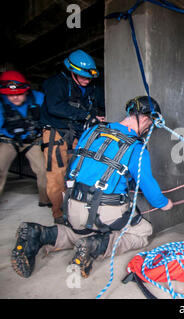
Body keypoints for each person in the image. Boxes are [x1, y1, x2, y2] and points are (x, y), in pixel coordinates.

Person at [11, 96, 173, 279]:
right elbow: (151, 190)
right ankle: (95, 246)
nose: (148, 129)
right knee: (143, 232)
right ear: (145, 118)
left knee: (80, 231)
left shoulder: (93, 131)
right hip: (104, 211)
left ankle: (39, 233)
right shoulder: (137, 149)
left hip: (72, 205)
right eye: (150, 124)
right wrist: (165, 204)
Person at [40, 49, 105, 224]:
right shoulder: (56, 84)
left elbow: (101, 104)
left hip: (77, 134)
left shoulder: (91, 89)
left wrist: (98, 117)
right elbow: (55, 107)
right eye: (81, 76)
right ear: (72, 71)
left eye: (89, 77)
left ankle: (78, 206)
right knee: (57, 174)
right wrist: (85, 116)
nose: (86, 80)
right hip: (56, 133)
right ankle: (59, 214)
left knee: (78, 171)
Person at [0, 70, 50, 207]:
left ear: (26, 91)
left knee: (43, 170)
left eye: (19, 94)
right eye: (10, 95)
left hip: (32, 140)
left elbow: (50, 116)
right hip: (8, 140)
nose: (15, 98)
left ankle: (45, 199)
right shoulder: (1, 103)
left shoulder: (39, 98)